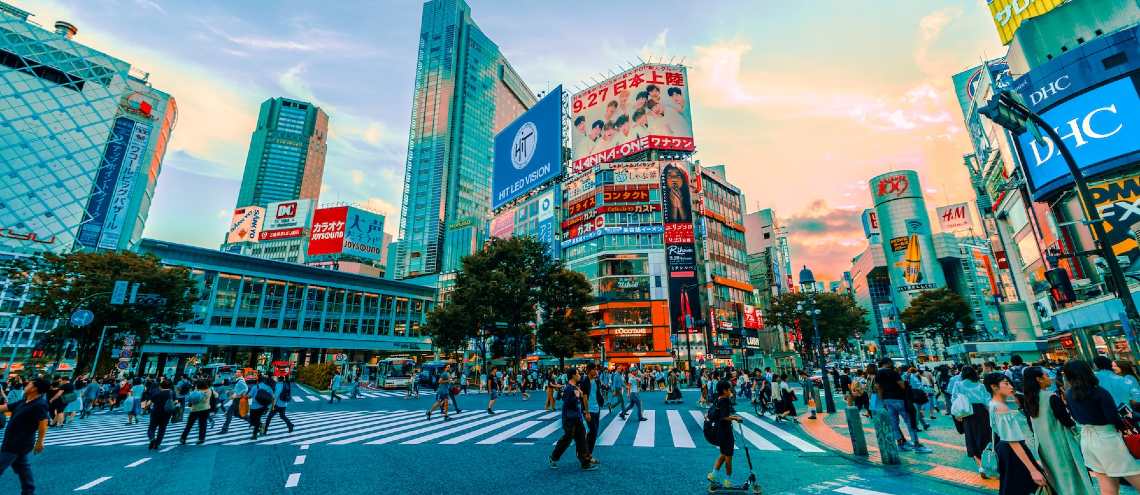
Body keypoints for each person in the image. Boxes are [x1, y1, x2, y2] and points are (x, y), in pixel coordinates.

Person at [1064, 359, 1140, 494]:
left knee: (1106, 481)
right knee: (1134, 474)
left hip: (1087, 439)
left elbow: (1075, 417)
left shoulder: (1069, 394)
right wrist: (1125, 427)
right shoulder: (1099, 392)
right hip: (1108, 438)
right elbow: (1113, 417)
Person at [1021, 366, 1095, 495]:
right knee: (1073, 475)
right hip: (1061, 442)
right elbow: (1066, 420)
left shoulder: (1029, 400)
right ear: (1038, 379)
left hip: (1044, 447)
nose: (1049, 377)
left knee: (1058, 477)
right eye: (1045, 375)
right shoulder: (1050, 397)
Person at [985, 372, 1045, 494]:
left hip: (1003, 450)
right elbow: (1013, 441)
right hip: (1013, 452)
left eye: (1010, 383)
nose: (1011, 387)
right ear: (994, 387)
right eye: (1006, 384)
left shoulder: (992, 403)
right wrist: (1032, 470)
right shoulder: (1001, 408)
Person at [0, 378, 49, 495]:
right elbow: (5, 408)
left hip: (19, 443)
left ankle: (29, 491)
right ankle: (29, 491)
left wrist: (40, 441)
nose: (26, 385)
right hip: (11, 439)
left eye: (30, 384)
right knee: (22, 466)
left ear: (34, 388)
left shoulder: (40, 404)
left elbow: (43, 423)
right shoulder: (24, 401)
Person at [875, 358, 931, 453]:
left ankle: (901, 444)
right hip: (899, 399)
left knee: (894, 424)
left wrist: (882, 400)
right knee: (909, 421)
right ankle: (917, 445)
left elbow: (878, 387)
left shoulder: (878, 374)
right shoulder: (893, 372)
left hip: (887, 400)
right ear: (888, 363)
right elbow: (902, 385)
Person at [547, 368, 596, 471]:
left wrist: (579, 395)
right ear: (573, 375)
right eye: (578, 374)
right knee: (567, 439)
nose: (579, 375)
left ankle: (585, 462)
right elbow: (567, 401)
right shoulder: (569, 388)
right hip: (569, 418)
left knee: (581, 438)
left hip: (577, 417)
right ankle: (553, 457)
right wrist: (577, 397)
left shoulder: (575, 387)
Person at [951, 365, 992, 476]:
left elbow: (954, 399)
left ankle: (980, 467)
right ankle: (988, 462)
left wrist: (957, 415)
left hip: (967, 413)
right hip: (982, 413)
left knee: (971, 439)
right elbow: (987, 400)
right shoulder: (980, 385)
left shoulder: (958, 384)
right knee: (985, 438)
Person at [706, 379, 744, 489]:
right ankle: (728, 481)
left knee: (723, 454)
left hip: (719, 431)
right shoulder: (725, 401)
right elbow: (724, 417)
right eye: (729, 389)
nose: (730, 391)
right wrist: (735, 418)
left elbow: (719, 416)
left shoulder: (718, 399)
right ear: (724, 390)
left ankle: (713, 475)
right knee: (728, 457)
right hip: (725, 432)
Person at [580, 364, 603, 462]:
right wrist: (587, 412)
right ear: (589, 370)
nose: (596, 371)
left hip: (596, 409)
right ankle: (586, 455)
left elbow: (597, 393)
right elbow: (584, 397)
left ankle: (587, 454)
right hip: (589, 410)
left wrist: (600, 401)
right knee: (593, 432)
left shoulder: (596, 381)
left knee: (594, 433)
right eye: (594, 369)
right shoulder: (585, 381)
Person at [178, 380, 213, 445]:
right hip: (205, 409)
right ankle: (201, 438)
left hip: (195, 409)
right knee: (202, 424)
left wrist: (195, 390)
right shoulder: (209, 391)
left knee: (189, 424)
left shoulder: (197, 391)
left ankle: (183, 438)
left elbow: (191, 399)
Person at [147, 380, 174, 450]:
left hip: (156, 412)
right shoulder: (172, 393)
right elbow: (176, 402)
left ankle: (152, 439)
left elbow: (149, 403)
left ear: (160, 386)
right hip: (167, 413)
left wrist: (146, 407)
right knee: (162, 429)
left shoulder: (157, 393)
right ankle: (157, 444)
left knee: (151, 428)